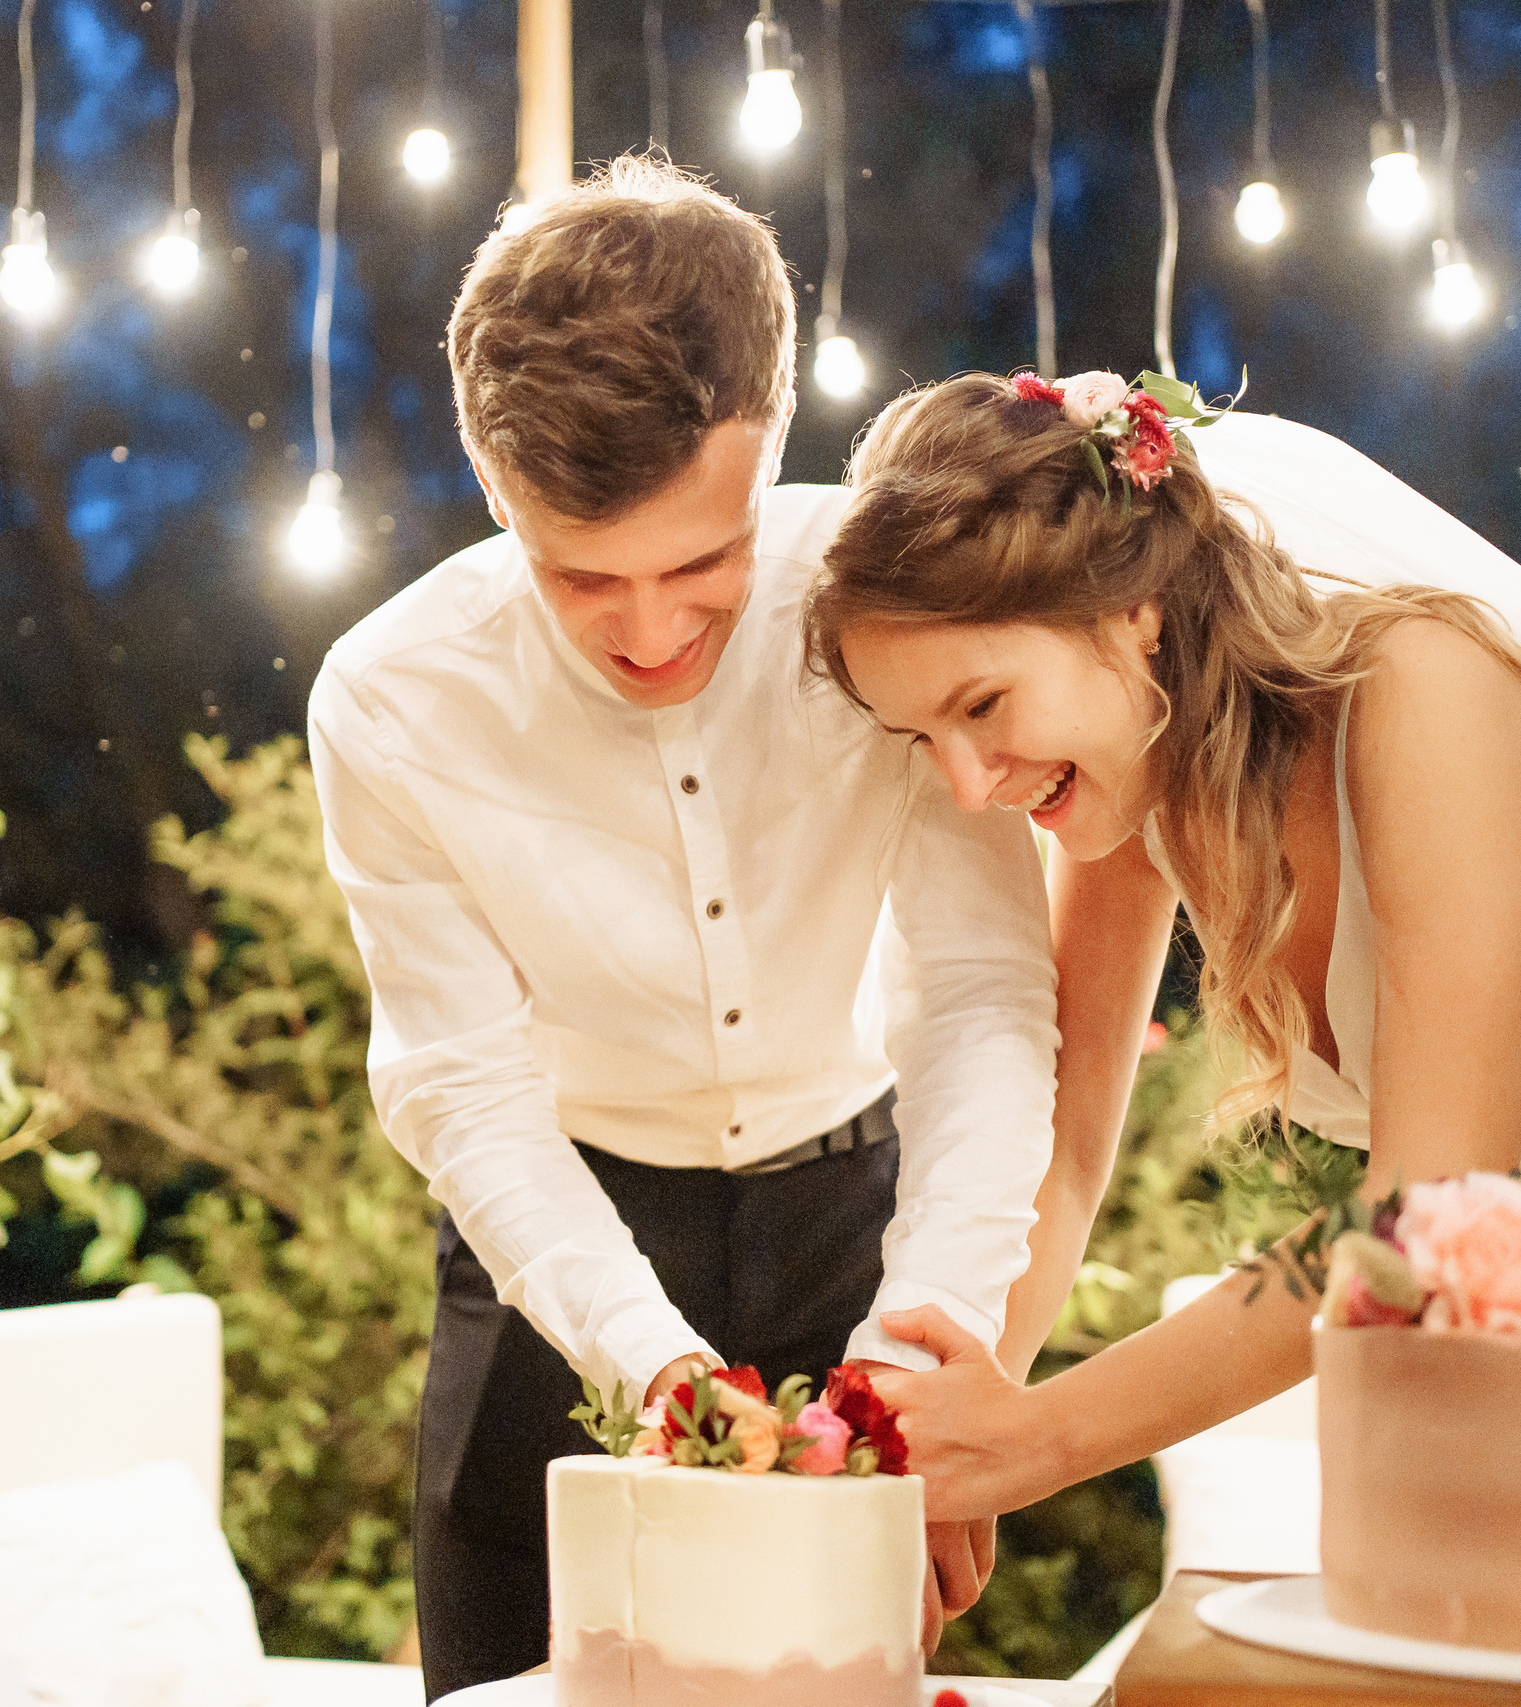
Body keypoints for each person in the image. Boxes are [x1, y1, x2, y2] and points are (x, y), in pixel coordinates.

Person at [800, 369, 1521, 1522]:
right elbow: (1066, 1156)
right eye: (919, 736)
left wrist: (1043, 1440)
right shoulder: (1124, 782)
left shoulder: (1431, 693)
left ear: (1130, 613)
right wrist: (955, 1448)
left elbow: (1424, 1211)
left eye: (982, 706)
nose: (966, 786)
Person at [306, 162, 1065, 1701]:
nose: (650, 631)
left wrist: (934, 1331)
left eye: (703, 565)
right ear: (494, 482)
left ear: (772, 436)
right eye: (582, 577)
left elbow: (981, 992)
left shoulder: (888, 606)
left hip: (860, 1227)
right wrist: (647, 1362)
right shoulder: (391, 702)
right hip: (553, 1245)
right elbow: (463, 1086)